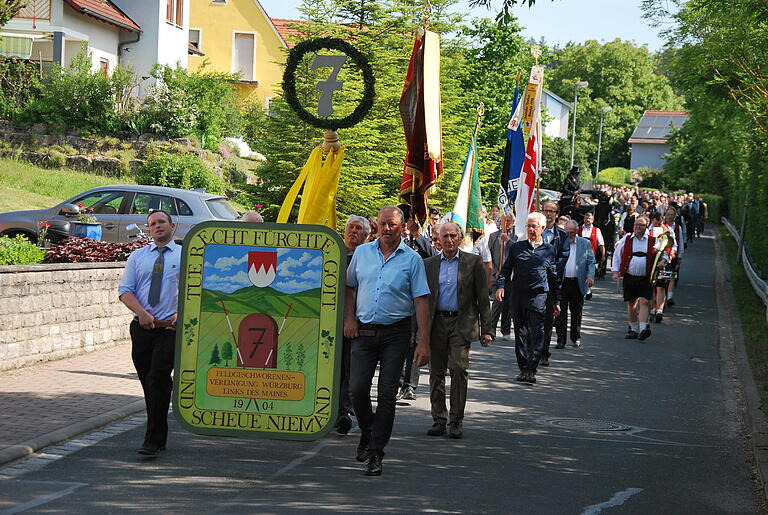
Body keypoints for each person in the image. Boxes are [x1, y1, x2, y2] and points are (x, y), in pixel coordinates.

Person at [344, 206, 431, 476]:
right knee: (357, 390)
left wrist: (424, 341)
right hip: (364, 331)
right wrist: (349, 319)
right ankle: (368, 429)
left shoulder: (412, 259)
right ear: (376, 226)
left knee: (386, 395)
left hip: (396, 333)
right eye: (382, 223)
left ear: (402, 226)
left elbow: (421, 300)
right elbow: (349, 287)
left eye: (392, 224)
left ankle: (376, 452)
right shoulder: (362, 253)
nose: (387, 228)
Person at [118, 210, 181, 455]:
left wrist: (182, 312)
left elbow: (197, 286)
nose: (157, 226)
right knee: (150, 382)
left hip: (171, 329)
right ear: (149, 229)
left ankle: (153, 440)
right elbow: (125, 290)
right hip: (143, 328)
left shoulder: (186, 255)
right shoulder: (138, 257)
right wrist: (141, 313)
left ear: (172, 226)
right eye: (152, 223)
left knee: (157, 377)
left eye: (161, 222)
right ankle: (158, 428)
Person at [424, 221, 493, 438]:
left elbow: (483, 298)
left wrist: (487, 329)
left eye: (453, 236)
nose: (449, 240)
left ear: (460, 238)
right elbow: (420, 299)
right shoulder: (429, 264)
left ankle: (456, 421)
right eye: (445, 236)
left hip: (461, 323)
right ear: (438, 239)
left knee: (458, 369)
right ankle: (439, 419)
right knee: (436, 373)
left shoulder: (472, 262)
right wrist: (417, 332)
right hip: (436, 324)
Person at [495, 212, 560, 384]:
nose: (531, 229)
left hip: (539, 296)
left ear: (542, 229)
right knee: (521, 332)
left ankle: (532, 368)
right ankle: (523, 368)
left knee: (537, 332)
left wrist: (557, 301)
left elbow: (554, 277)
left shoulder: (549, 250)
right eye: (528, 226)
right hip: (518, 295)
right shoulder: (517, 247)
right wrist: (500, 286)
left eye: (534, 226)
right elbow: (506, 270)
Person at [334, 215, 370, 435]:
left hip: (356, 322)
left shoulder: (368, 258)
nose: (353, 231)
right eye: (350, 227)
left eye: (358, 228)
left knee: (350, 368)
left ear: (365, 235)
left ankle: (344, 412)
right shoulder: (333, 254)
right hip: (330, 321)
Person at [398, 206, 437, 401]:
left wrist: (417, 235)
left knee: (414, 342)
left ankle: (409, 384)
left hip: (417, 300)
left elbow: (433, 256)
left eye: (408, 221)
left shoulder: (420, 242)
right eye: (402, 222)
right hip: (396, 301)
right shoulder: (388, 243)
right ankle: (396, 380)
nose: (405, 225)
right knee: (398, 343)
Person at [611, 215, 663, 342]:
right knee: (631, 302)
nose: (637, 227)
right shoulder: (627, 238)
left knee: (645, 301)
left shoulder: (653, 240)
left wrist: (663, 261)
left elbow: (663, 253)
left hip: (646, 276)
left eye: (640, 225)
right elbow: (618, 254)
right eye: (636, 225)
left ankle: (643, 329)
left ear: (646, 226)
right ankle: (634, 329)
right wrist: (615, 271)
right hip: (630, 275)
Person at [554, 220, 596, 348]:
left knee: (576, 311)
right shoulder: (559, 243)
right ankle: (561, 339)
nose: (570, 235)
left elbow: (590, 261)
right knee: (560, 311)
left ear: (577, 232)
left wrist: (590, 276)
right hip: (562, 282)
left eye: (572, 233)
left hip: (577, 282)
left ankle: (575, 336)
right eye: (567, 232)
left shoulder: (584, 243)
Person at [540, 201, 570, 366]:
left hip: (552, 282)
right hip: (535, 282)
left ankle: (544, 352)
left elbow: (563, 256)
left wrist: (548, 270)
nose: (549, 214)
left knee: (548, 319)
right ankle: (532, 350)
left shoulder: (563, 235)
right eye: (546, 211)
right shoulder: (534, 231)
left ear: (557, 214)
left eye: (552, 211)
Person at [488, 214, 516, 340]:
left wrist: (508, 241)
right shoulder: (493, 236)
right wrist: (495, 271)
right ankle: (491, 329)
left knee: (508, 304)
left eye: (509, 221)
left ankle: (506, 330)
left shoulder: (516, 237)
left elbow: (517, 251)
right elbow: (488, 256)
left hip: (511, 275)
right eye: (504, 220)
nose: (506, 223)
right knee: (497, 301)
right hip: (497, 274)